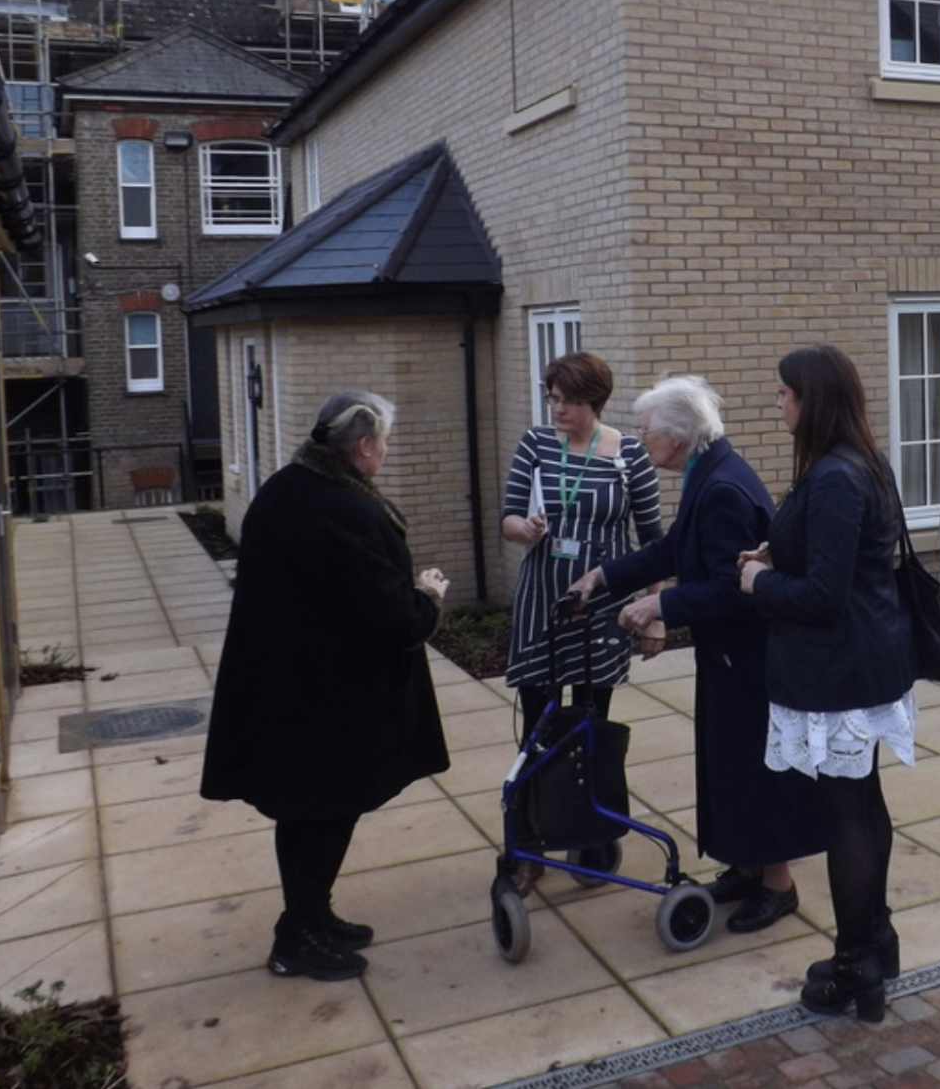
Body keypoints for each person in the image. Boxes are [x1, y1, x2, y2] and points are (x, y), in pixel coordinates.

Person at [201, 389, 451, 982]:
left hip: (287, 686)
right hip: (326, 699)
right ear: (362, 447)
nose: (386, 454)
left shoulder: (287, 488)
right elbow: (390, 617)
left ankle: (311, 914)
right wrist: (428, 595)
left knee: (310, 809)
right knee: (323, 811)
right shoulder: (346, 511)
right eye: (384, 444)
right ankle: (298, 937)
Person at [569, 376, 828, 934]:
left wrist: (661, 608)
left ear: (679, 434)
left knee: (753, 770)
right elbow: (672, 548)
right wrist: (606, 575)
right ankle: (747, 867)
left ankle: (778, 886)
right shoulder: (705, 473)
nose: (640, 441)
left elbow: (730, 585)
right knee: (727, 766)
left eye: (647, 431)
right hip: (729, 655)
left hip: (750, 657)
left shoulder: (722, 490)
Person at [740, 344, 914, 1023]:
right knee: (861, 802)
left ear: (814, 400)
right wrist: (776, 550)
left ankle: (855, 963)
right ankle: (876, 940)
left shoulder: (838, 476)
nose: (777, 403)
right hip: (861, 662)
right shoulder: (854, 464)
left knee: (848, 812)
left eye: (784, 393)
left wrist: (759, 581)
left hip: (845, 668)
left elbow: (822, 593)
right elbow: (833, 553)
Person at [498, 351, 662, 893]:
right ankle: (527, 846)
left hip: (600, 610)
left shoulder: (629, 454)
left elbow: (654, 541)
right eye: (552, 397)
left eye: (567, 399)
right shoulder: (536, 445)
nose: (557, 407)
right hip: (543, 604)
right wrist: (525, 530)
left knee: (592, 723)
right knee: (538, 729)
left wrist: (654, 612)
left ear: (593, 400)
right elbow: (508, 517)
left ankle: (590, 835)